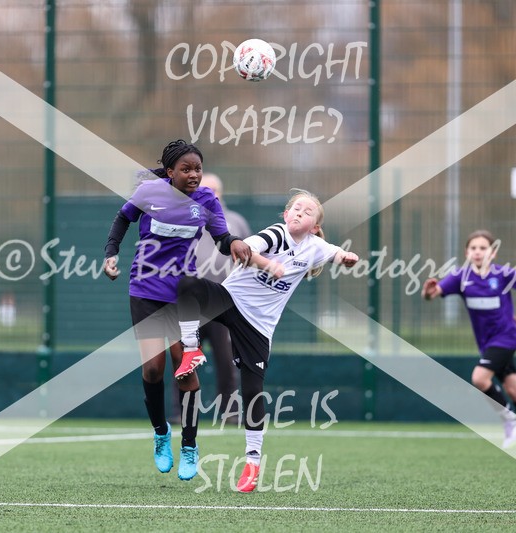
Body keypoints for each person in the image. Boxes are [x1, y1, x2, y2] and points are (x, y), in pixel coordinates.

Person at [176, 189, 359, 492]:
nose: (299, 212)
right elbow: (244, 248)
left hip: (259, 326)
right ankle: (191, 350)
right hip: (230, 301)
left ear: (314, 226)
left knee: (252, 390)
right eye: (295, 208)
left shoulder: (314, 246)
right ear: (286, 215)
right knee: (186, 284)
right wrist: (268, 265)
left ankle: (252, 463)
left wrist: (345, 258)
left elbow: (334, 252)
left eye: (307, 211)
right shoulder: (277, 234)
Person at [103, 140, 251, 481]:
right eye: (186, 169)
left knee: (183, 370)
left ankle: (189, 445)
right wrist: (111, 253)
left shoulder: (206, 201)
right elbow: (122, 220)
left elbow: (221, 238)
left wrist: (236, 244)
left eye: (197, 168)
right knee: (153, 370)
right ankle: (160, 435)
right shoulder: (149, 193)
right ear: (170, 173)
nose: (194, 175)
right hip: (144, 290)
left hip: (182, 295)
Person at [422, 229, 516, 458]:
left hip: (507, 338)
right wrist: (428, 292)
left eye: (483, 248)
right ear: (467, 252)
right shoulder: (461, 278)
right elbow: (433, 293)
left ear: (492, 253)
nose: (478, 252)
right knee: (515, 392)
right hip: (487, 344)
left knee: (479, 378)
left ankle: (509, 420)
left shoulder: (503, 274)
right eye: (473, 248)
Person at [192, 173, 251, 421]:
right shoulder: (185, 219)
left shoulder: (235, 221)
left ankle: (230, 413)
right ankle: (181, 412)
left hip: (224, 302)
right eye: (205, 189)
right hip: (191, 303)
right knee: (185, 360)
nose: (210, 194)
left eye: (214, 190)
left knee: (227, 362)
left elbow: (249, 255)